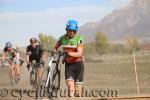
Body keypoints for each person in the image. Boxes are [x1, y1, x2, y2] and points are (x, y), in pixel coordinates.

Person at [53, 20, 84, 97]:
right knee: (71, 87)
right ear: (66, 29)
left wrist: (69, 53)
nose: (72, 32)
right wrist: (54, 50)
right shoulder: (62, 38)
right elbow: (55, 47)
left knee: (78, 93)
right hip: (69, 66)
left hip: (78, 65)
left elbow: (79, 53)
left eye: (74, 31)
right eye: (70, 30)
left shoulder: (79, 38)